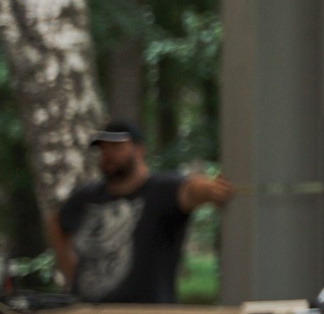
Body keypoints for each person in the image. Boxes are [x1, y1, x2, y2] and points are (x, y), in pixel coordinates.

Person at [50, 123, 232, 304]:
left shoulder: (161, 190)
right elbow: (56, 223)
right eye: (103, 149)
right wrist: (71, 273)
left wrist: (210, 190)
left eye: (116, 147)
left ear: (139, 150)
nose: (108, 154)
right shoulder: (87, 197)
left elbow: (190, 189)